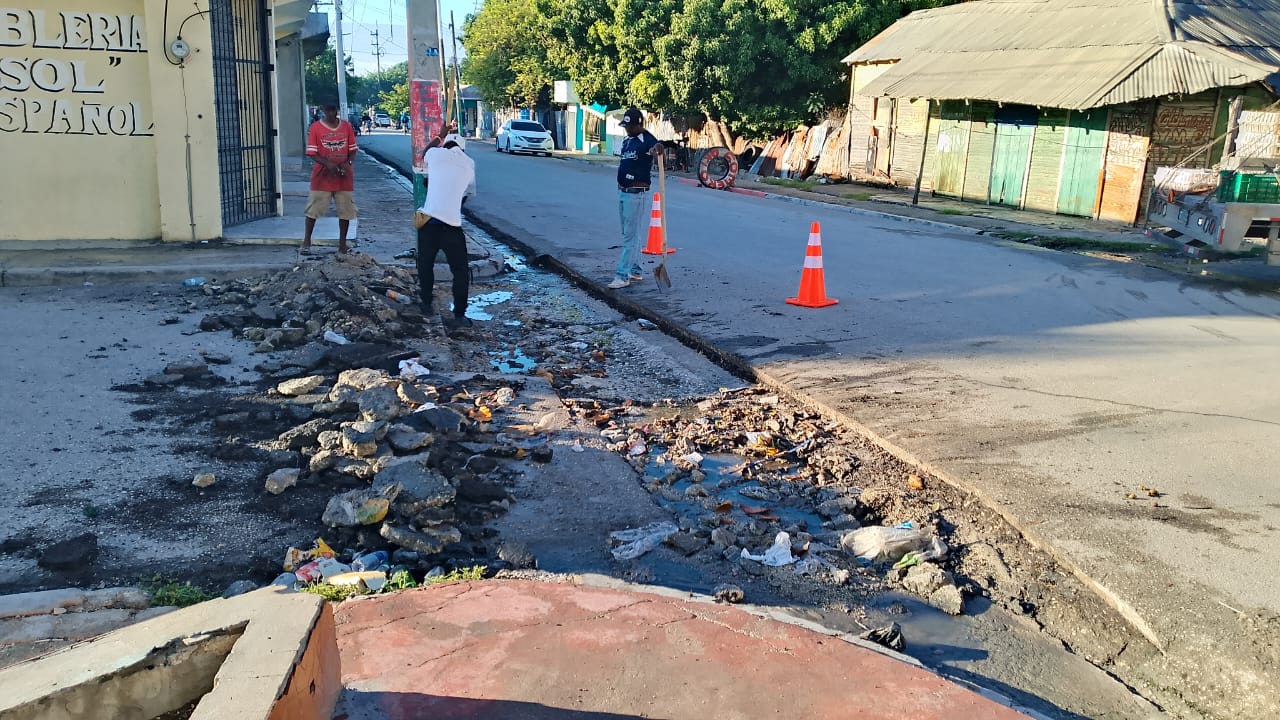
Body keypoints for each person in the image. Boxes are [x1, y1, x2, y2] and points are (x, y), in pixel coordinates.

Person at [416, 122, 477, 326]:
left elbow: (424, 152)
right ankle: (459, 315)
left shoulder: (435, 154)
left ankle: (426, 303)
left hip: (429, 223)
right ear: (462, 148)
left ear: (446, 144)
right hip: (452, 226)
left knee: (425, 264)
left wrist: (439, 136)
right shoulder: (469, 164)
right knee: (460, 270)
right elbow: (466, 195)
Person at [609, 108, 664, 289]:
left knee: (629, 239)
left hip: (636, 193)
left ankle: (622, 275)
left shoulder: (647, 140)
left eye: (631, 126)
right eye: (626, 126)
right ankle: (636, 269)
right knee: (630, 234)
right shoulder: (627, 141)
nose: (628, 129)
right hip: (623, 191)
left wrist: (658, 150)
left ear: (639, 124)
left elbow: (656, 148)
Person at [302, 101, 358, 255]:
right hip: (322, 176)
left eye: (334, 110)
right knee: (313, 209)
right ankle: (306, 241)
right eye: (328, 110)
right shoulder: (316, 128)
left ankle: (342, 244)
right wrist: (328, 164)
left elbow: (353, 150)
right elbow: (312, 153)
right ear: (323, 110)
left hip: (343, 176)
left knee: (345, 210)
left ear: (337, 110)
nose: (331, 113)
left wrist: (348, 163)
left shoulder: (346, 127)